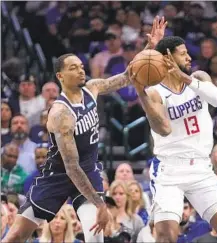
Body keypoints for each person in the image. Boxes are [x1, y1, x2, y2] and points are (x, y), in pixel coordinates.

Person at [2, 16, 167, 243]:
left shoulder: (92, 87)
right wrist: (101, 204)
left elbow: (128, 76)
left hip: (88, 171)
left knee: (95, 238)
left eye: (81, 66)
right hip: (58, 175)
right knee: (16, 236)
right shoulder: (60, 113)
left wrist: (150, 48)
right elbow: (71, 166)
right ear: (60, 76)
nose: (81, 71)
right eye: (73, 68)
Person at [129, 35, 217, 242]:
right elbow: (163, 129)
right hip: (170, 171)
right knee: (166, 237)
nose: (189, 57)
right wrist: (140, 93)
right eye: (183, 54)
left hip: (201, 168)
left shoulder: (198, 77)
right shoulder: (155, 93)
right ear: (168, 58)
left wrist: (184, 77)